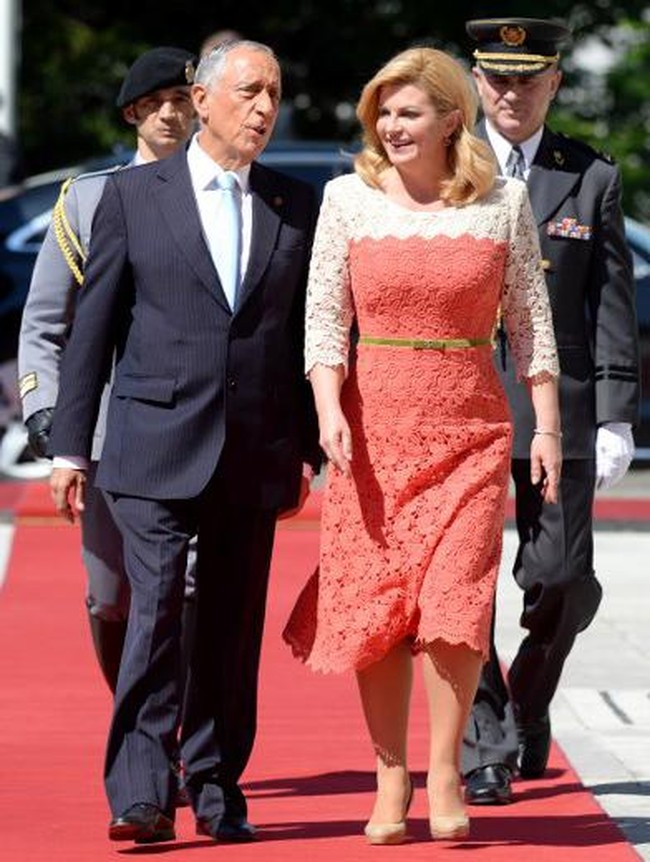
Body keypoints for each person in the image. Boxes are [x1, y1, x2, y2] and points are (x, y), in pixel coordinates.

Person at [283, 45, 561, 844]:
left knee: (453, 603)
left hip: (471, 430)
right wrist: (328, 410)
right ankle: (388, 773)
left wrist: (547, 426)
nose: (392, 127)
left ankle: (443, 769)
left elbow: (530, 323)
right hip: (372, 432)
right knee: (379, 604)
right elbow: (324, 317)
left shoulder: (503, 203)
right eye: (384, 114)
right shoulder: (347, 199)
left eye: (408, 112)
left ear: (450, 119)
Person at [48, 40, 320, 845]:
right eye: (249, 91)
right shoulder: (132, 197)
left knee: (231, 629)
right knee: (157, 610)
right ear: (201, 99)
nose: (264, 108)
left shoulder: (294, 204)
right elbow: (93, 331)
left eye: (274, 93)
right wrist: (70, 448)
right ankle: (141, 790)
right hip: (151, 443)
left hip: (255, 449)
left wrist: (310, 448)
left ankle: (216, 784)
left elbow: (302, 338)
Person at [461, 18, 640, 806]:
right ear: (476, 81)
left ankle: (526, 705)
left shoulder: (589, 175)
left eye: (527, 78)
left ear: (554, 83)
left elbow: (610, 301)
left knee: (563, 580)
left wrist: (615, 413)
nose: (511, 92)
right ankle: (485, 745)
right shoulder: (444, 163)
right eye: (498, 78)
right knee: (460, 587)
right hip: (460, 399)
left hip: (557, 405)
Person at [18, 46, 198, 696]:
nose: (171, 115)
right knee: (110, 593)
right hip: (105, 432)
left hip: (196, 431)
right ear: (132, 114)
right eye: (156, 104)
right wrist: (47, 412)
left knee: (188, 586)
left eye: (182, 101)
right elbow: (45, 322)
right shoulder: (89, 199)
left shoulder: (224, 199)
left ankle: (171, 730)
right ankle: (133, 715)